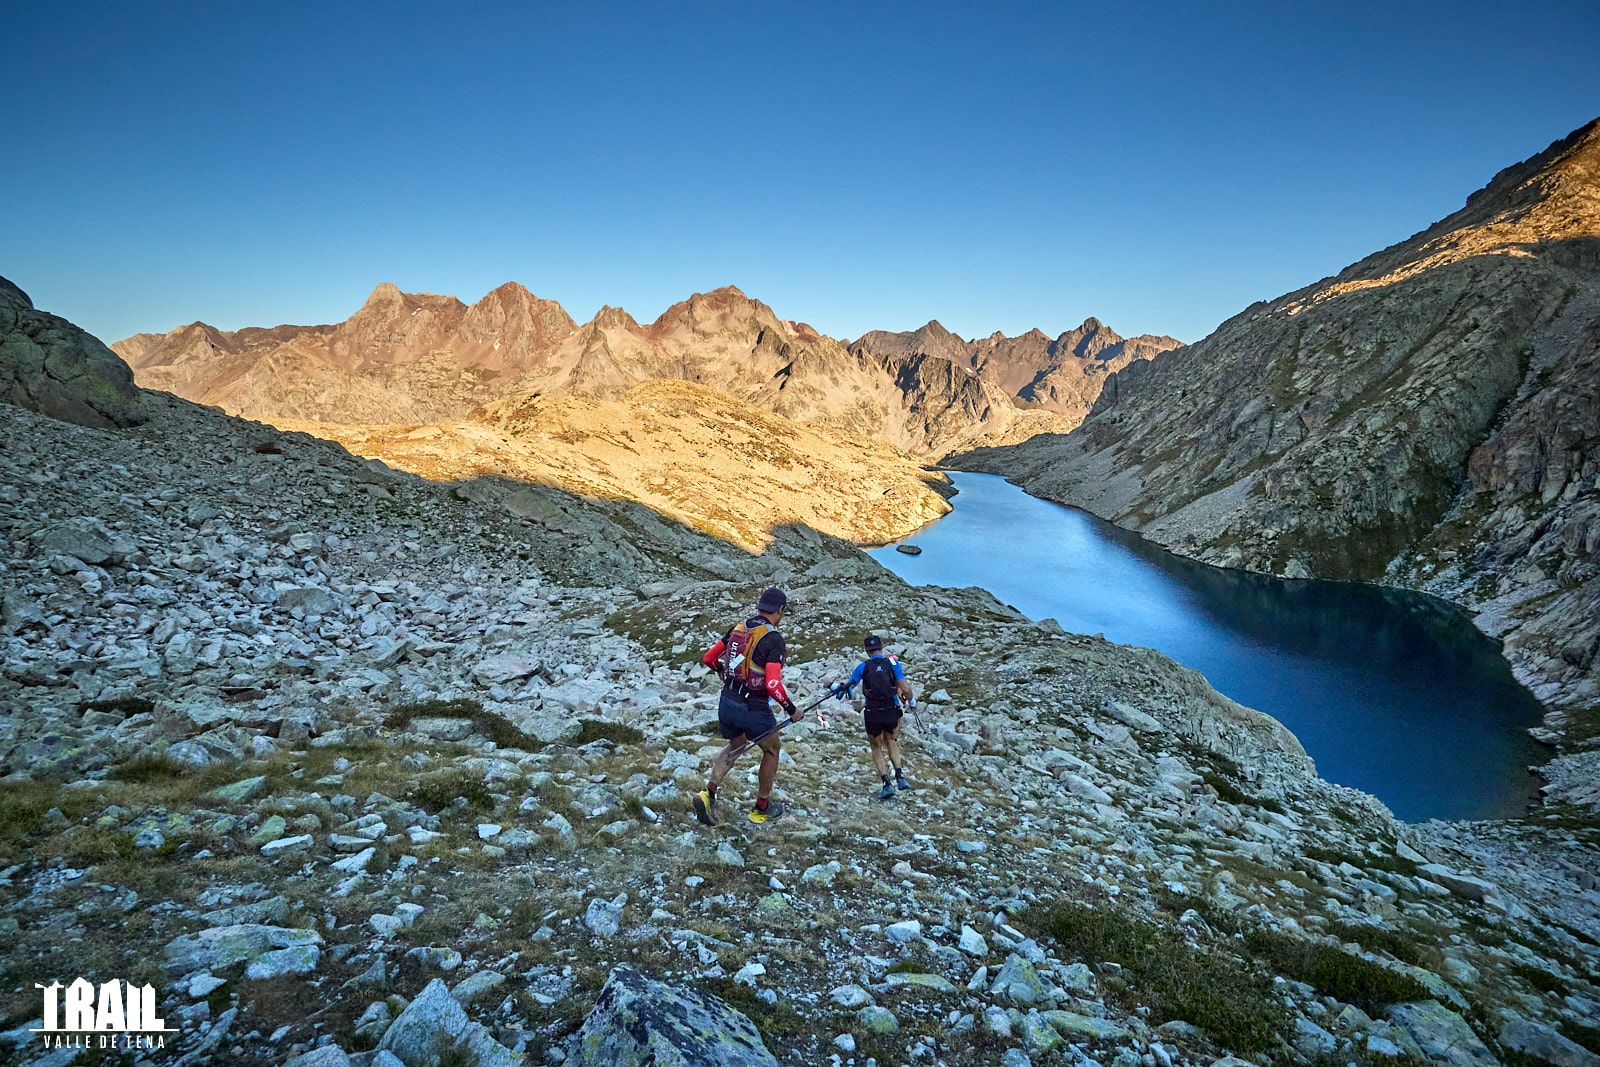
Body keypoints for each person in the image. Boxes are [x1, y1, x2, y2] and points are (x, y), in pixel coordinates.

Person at [693, 587, 802, 825]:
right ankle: (761, 807)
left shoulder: (739, 628)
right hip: (753, 706)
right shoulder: (773, 639)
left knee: (736, 744)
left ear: (760, 606)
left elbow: (709, 658)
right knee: (772, 750)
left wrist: (721, 670)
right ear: (780, 610)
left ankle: (708, 793)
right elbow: (773, 684)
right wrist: (792, 711)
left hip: (728, 700)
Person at [843, 634, 915, 799]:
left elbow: (850, 685)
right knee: (891, 740)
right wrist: (911, 700)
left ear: (867, 651)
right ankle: (900, 777)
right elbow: (904, 688)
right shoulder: (893, 663)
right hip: (891, 708)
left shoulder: (863, 667)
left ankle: (886, 783)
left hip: (873, 711)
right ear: (881, 647)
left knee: (876, 747)